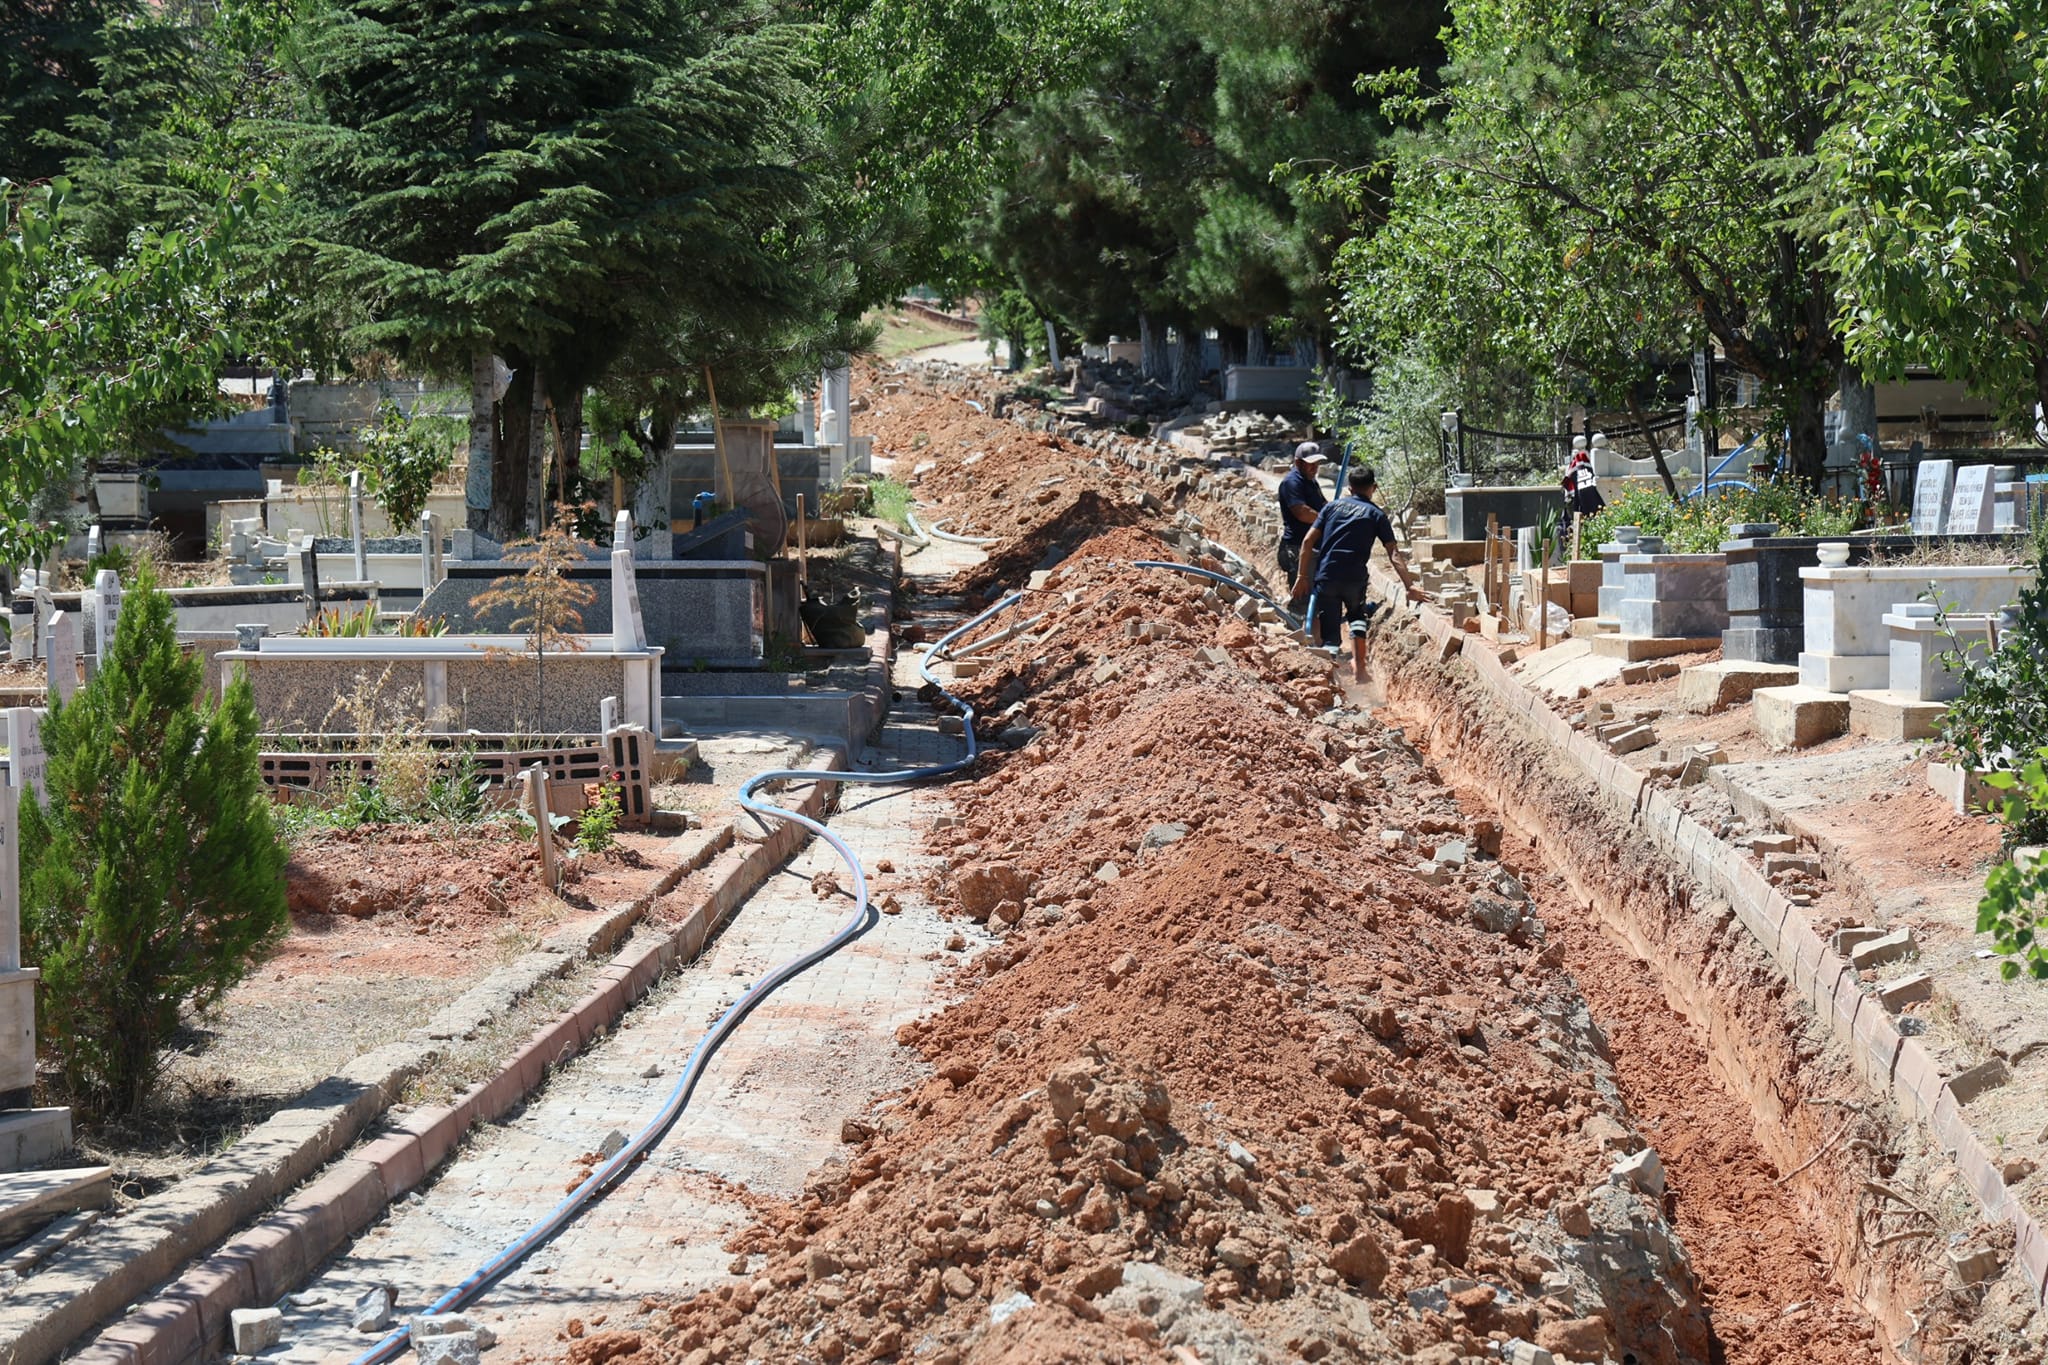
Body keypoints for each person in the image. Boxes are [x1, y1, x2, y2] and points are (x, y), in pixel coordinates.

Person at [1291, 465, 1426, 680]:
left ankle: (1331, 682)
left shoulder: (1331, 508)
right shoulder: (1376, 514)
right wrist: (1409, 587)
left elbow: (1307, 542)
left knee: (1331, 634)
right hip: (1354, 579)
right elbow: (1394, 554)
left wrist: (1302, 577)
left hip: (1327, 575)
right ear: (1373, 487)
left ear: (1349, 488)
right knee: (1357, 618)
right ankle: (1360, 671)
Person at [1276, 441, 1329, 588]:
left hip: (1313, 545)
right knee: (1303, 595)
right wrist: (1325, 520)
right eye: (1311, 464)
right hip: (1297, 547)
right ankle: (1295, 611)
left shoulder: (1311, 481)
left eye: (1317, 464)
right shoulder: (1292, 483)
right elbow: (1301, 512)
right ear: (1298, 463)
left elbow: (1323, 504)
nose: (1315, 468)